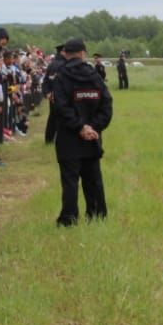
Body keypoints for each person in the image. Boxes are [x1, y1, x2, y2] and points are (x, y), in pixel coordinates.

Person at [49, 38, 113, 226]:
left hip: (69, 138)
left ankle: (69, 219)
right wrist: (94, 127)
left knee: (70, 181)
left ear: (66, 54)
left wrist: (79, 127)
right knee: (93, 179)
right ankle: (97, 215)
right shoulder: (95, 76)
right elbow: (107, 105)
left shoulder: (61, 77)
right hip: (92, 139)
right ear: (83, 53)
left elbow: (60, 107)